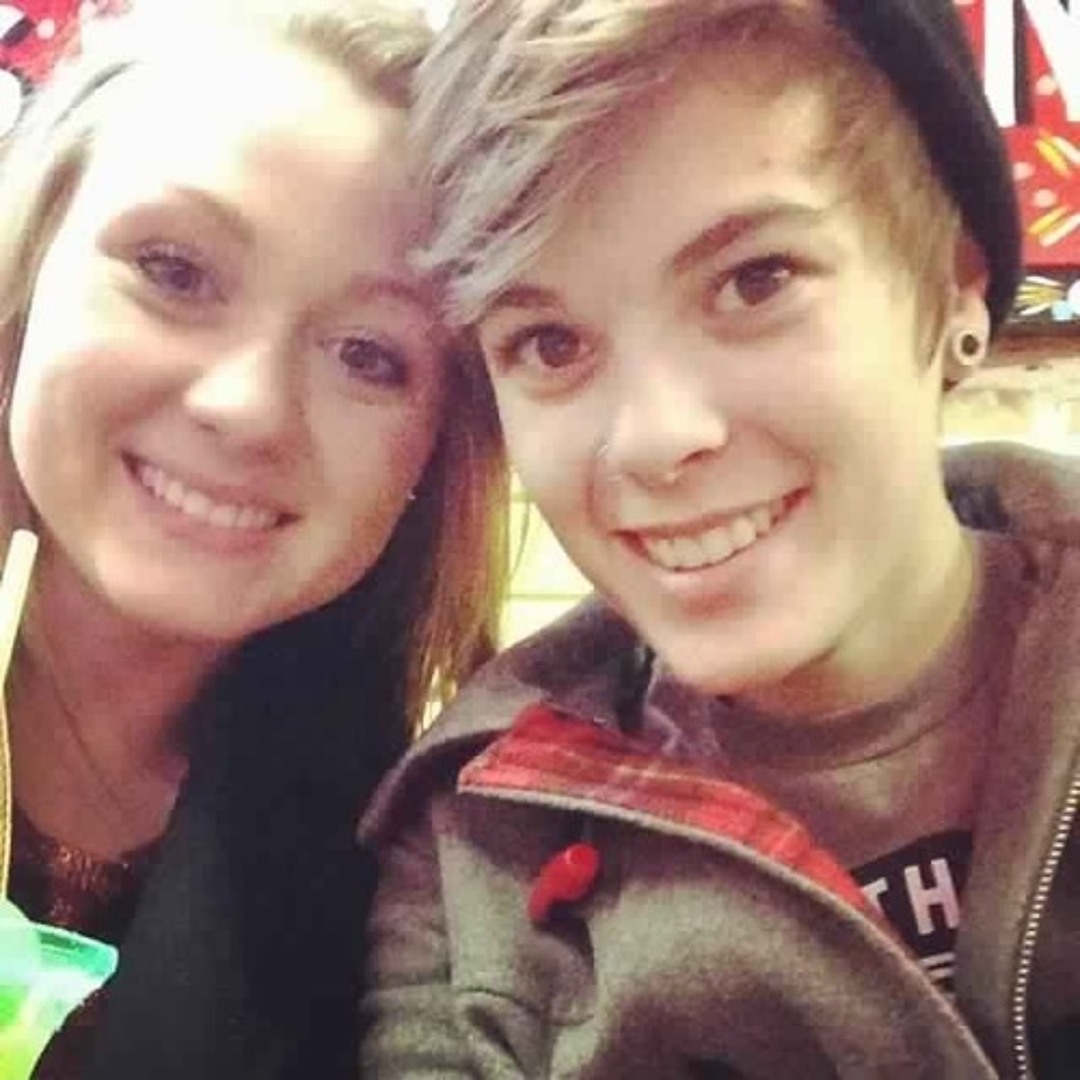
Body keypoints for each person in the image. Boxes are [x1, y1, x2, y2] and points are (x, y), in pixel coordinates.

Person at [360, 1, 1080, 1076]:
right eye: (549, 342)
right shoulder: (477, 855)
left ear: (954, 281)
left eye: (755, 281)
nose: (656, 438)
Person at [0, 0, 507, 1076]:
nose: (248, 407)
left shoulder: (426, 903)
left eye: (368, 355)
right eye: (175, 271)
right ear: (35, 259)